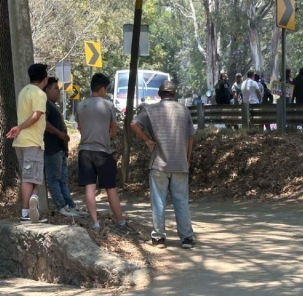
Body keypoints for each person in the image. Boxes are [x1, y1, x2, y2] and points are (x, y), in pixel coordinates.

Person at [131, 80, 196, 249]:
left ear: (159, 94)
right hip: (180, 163)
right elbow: (190, 137)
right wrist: (187, 159)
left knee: (158, 201)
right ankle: (187, 238)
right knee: (181, 201)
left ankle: (159, 238)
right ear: (174, 94)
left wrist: (147, 140)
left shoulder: (150, 109)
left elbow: (133, 124)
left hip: (159, 162)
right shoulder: (184, 110)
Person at [75, 73, 129, 231]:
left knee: (89, 187)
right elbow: (113, 131)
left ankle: (95, 222)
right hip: (103, 151)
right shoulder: (108, 105)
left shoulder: (80, 105)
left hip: (84, 150)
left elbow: (79, 128)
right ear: (102, 88)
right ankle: (120, 222)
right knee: (110, 187)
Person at [6, 63, 49, 223]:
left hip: (21, 142)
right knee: (30, 178)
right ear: (44, 78)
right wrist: (19, 127)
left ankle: (32, 205)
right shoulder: (39, 94)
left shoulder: (23, 91)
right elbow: (36, 115)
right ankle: (26, 212)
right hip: (32, 140)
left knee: (33, 176)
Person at [43, 77, 82, 217]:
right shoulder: (45, 104)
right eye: (55, 88)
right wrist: (60, 134)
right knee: (54, 179)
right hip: (51, 148)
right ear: (47, 89)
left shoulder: (52, 104)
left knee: (63, 179)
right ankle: (61, 205)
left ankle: (70, 204)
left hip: (60, 149)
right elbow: (44, 123)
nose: (59, 92)